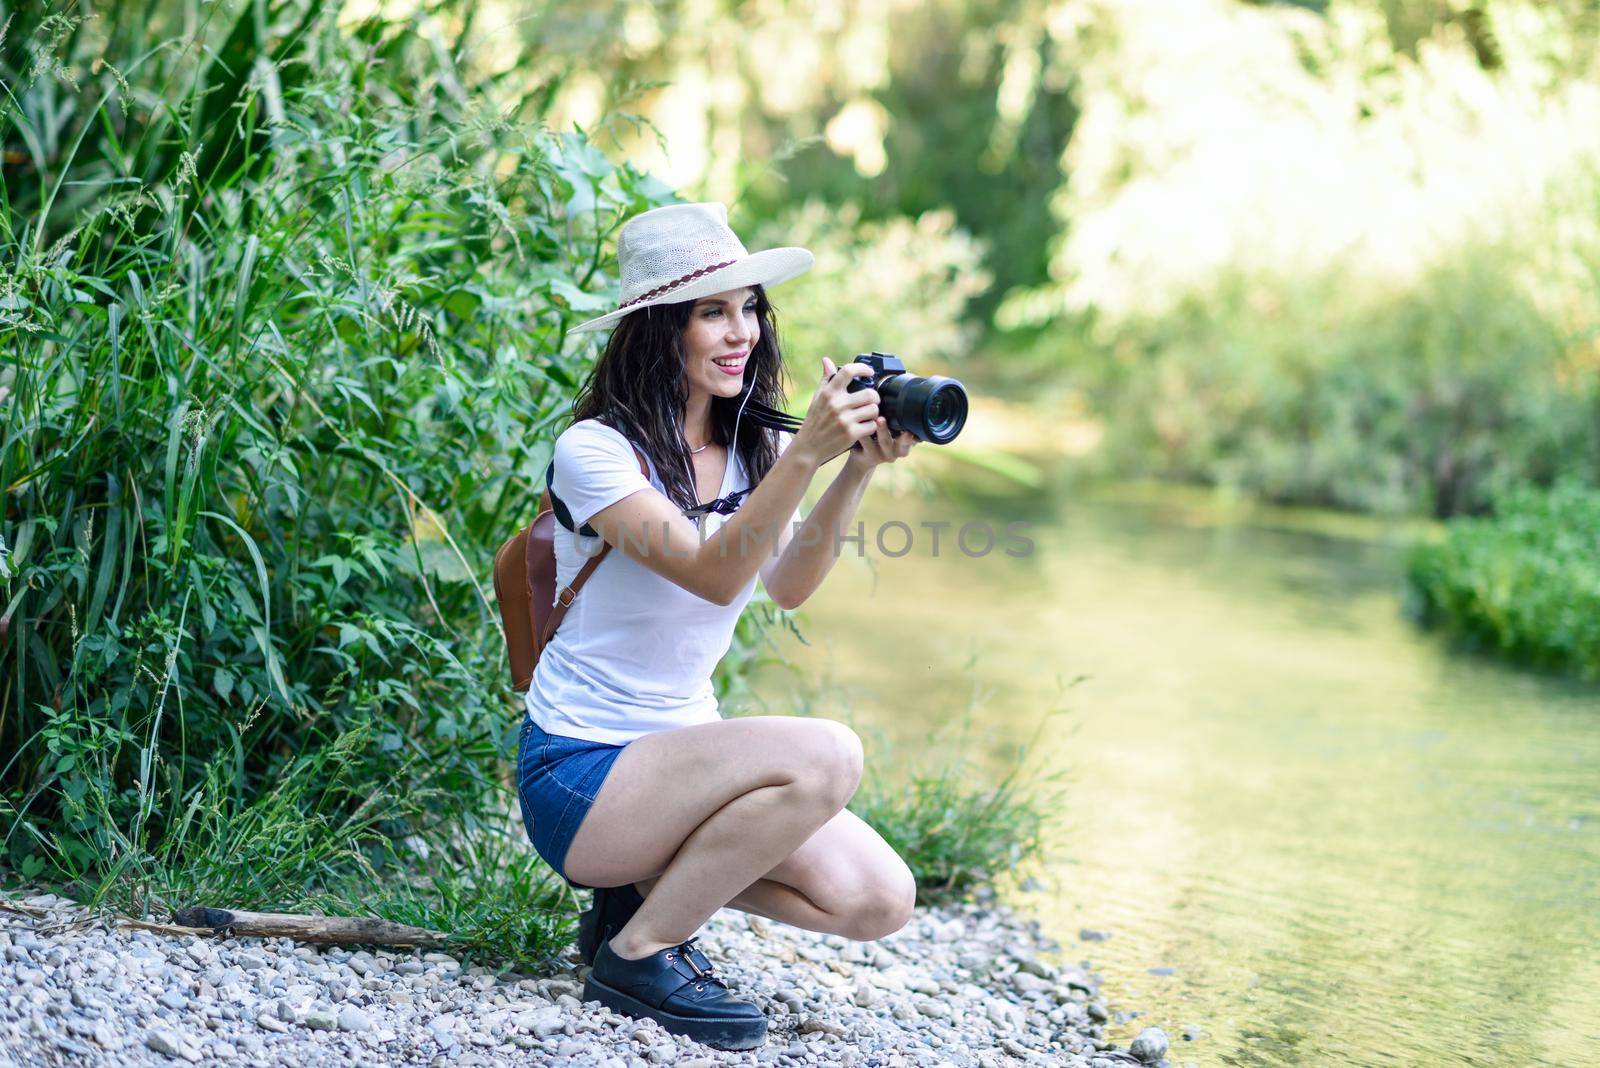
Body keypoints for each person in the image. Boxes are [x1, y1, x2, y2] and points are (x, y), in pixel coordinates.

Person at [517, 201, 919, 1051]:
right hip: (583, 773)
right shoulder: (595, 452)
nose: (740, 333)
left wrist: (849, 473)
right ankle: (640, 953)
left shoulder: (752, 448)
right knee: (830, 752)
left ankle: (638, 901)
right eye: (712, 311)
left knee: (880, 898)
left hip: (681, 761)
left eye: (748, 308)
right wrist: (805, 451)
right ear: (660, 328)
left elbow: (788, 585)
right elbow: (711, 577)